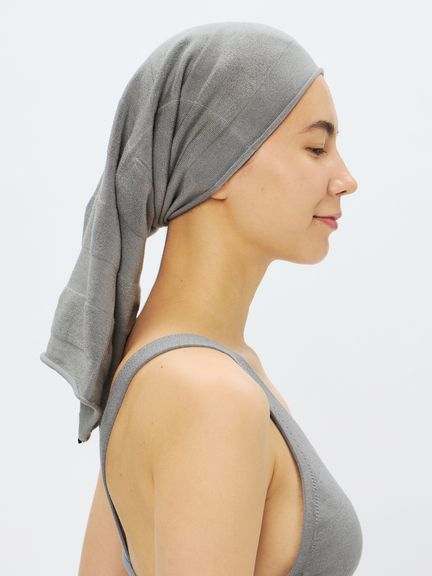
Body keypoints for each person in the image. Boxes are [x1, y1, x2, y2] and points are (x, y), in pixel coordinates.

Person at [77, 68, 358, 576]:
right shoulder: (209, 395)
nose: (346, 179)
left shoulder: (161, 369)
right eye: (317, 148)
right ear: (221, 165)